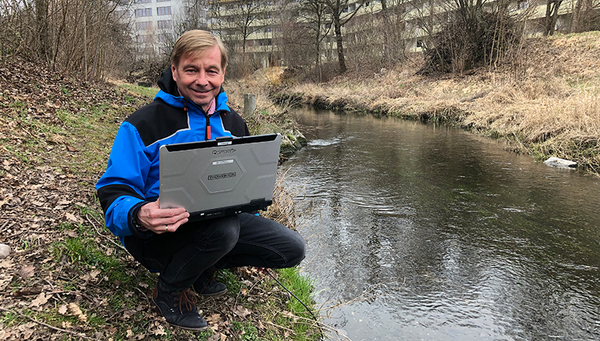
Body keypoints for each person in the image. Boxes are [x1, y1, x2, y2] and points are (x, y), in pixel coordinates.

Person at [95, 30, 305, 331]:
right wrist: (138, 214)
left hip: (218, 224)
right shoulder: (141, 123)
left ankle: (201, 269)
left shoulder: (234, 123)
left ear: (222, 74)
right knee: (224, 229)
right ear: (174, 71)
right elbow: (112, 189)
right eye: (191, 70)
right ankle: (169, 291)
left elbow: (245, 188)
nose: (202, 80)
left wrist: (256, 235)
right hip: (158, 234)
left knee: (290, 248)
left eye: (211, 71)